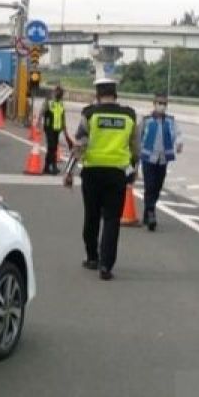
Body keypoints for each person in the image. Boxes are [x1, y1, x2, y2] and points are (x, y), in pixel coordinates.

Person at [63, 77, 140, 280]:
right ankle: (106, 265)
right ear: (116, 94)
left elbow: (79, 145)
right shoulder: (129, 115)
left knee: (92, 216)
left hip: (93, 173)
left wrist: (69, 172)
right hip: (117, 174)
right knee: (112, 220)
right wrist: (134, 170)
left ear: (97, 95)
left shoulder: (90, 114)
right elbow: (135, 148)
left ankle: (92, 257)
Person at [140, 93, 183, 231]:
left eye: (164, 104)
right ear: (154, 104)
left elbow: (178, 134)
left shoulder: (170, 121)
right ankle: (151, 213)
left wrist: (179, 143)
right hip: (148, 159)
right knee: (149, 186)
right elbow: (137, 136)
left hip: (163, 160)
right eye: (159, 103)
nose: (162, 106)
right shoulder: (146, 120)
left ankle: (147, 212)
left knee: (157, 187)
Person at [39, 85, 71, 175]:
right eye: (60, 93)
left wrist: (65, 131)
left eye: (62, 93)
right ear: (55, 92)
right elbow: (41, 112)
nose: (61, 95)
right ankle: (53, 166)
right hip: (49, 128)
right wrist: (38, 124)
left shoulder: (61, 103)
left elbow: (62, 117)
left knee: (52, 148)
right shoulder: (49, 102)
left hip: (57, 129)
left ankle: (46, 167)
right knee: (52, 147)